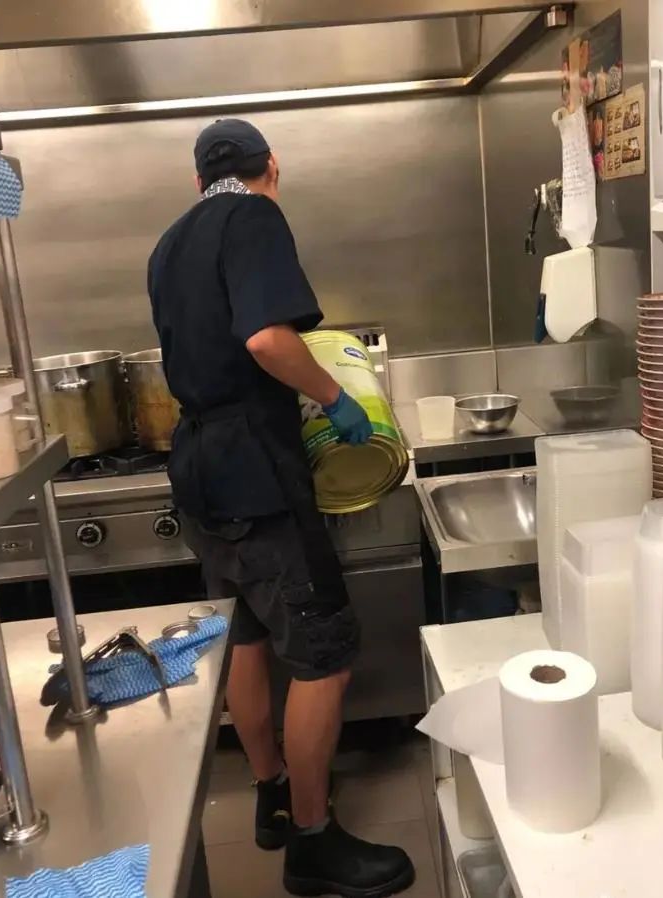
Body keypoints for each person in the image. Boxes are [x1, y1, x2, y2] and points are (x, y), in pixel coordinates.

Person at [147, 118, 415, 898]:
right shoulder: (255, 216)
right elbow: (267, 340)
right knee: (324, 655)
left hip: (199, 470)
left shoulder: (170, 243)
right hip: (257, 475)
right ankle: (312, 841)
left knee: (246, 638)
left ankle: (269, 792)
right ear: (272, 166)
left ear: (197, 180)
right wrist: (335, 399)